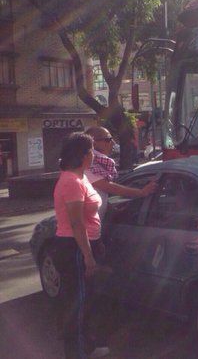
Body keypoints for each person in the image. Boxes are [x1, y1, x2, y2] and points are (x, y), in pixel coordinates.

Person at [52, 132, 109, 358]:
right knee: (77, 302)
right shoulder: (71, 181)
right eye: (92, 150)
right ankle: (75, 353)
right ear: (84, 155)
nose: (94, 154)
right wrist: (88, 256)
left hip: (85, 244)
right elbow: (76, 224)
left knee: (86, 300)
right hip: (74, 248)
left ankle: (87, 346)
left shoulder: (81, 177)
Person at [84, 126, 156, 220]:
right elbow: (108, 187)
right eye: (108, 139)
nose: (113, 143)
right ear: (94, 142)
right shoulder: (87, 164)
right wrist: (141, 192)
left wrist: (111, 209)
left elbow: (98, 192)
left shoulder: (98, 163)